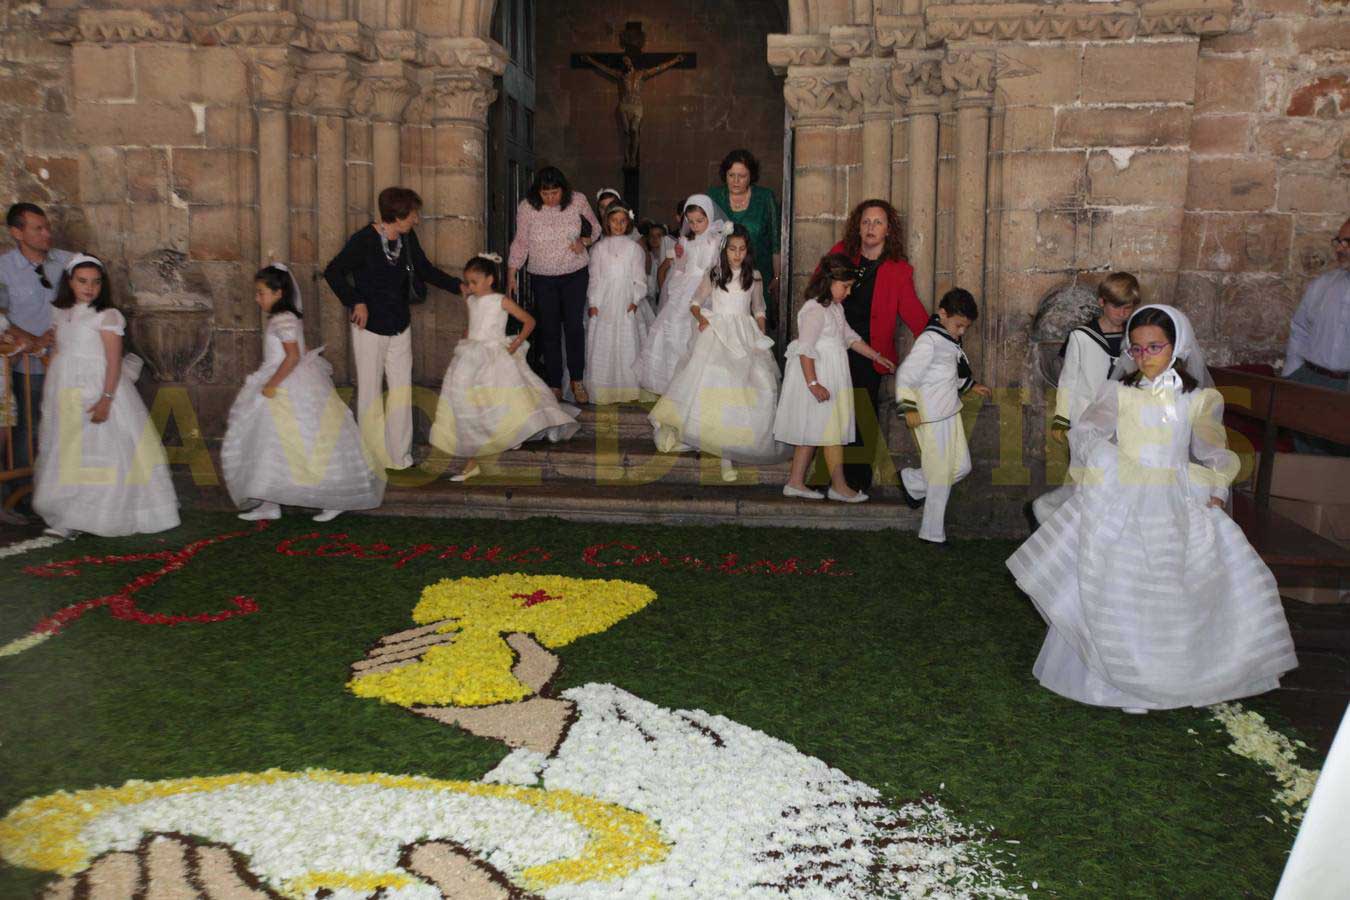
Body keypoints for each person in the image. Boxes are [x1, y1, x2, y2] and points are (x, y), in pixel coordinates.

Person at [1007, 305, 1298, 712]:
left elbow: (1213, 450)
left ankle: (1163, 675)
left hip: (1173, 494)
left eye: (1155, 348)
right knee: (1119, 578)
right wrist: (1107, 460)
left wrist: (1216, 488)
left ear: (1178, 347)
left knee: (1168, 581)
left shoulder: (1198, 398)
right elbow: (1088, 431)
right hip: (1125, 494)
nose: (1145, 357)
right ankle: (1117, 679)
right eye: (1138, 349)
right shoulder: (1120, 392)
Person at [221, 265, 384, 523]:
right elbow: (302, 348)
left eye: (261, 292)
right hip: (285, 378)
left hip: (285, 380)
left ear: (278, 292)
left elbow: (293, 356)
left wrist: (272, 383)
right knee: (272, 442)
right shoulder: (288, 317)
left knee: (301, 440)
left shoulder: (283, 319)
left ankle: (333, 497)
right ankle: (269, 501)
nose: (257, 298)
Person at [32, 255, 179, 538]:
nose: (89, 288)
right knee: (69, 451)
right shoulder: (60, 312)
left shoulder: (107, 316)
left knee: (101, 452)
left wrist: (106, 398)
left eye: (96, 282)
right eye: (82, 281)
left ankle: (100, 515)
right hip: (66, 390)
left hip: (99, 387)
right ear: (70, 282)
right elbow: (58, 349)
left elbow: (113, 362)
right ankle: (68, 516)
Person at [323, 186, 463, 471]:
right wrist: (356, 301)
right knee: (371, 394)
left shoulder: (407, 239)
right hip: (370, 328)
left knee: (401, 392)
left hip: (400, 325)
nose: (417, 220)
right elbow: (333, 271)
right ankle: (372, 459)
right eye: (413, 214)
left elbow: (425, 269)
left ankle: (399, 458)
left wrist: (460, 287)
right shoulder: (363, 240)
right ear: (397, 215)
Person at [650, 224, 787, 481]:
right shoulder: (714, 274)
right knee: (717, 383)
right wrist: (701, 318)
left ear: (748, 251)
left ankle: (738, 443)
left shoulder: (754, 276)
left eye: (742, 249)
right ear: (725, 251)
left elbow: (758, 309)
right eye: (732, 249)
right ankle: (720, 449)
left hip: (744, 334)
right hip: (717, 332)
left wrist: (760, 335)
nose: (737, 254)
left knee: (751, 386)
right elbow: (694, 302)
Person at [429, 254, 579, 482]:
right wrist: (465, 344)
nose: (469, 287)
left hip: (495, 354)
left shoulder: (500, 300)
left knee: (500, 396)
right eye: (467, 282)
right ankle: (483, 447)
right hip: (472, 354)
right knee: (473, 401)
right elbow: (471, 327)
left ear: (490, 280)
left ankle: (483, 453)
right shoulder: (471, 301)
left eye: (474, 282)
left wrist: (516, 343)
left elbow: (529, 321)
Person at [821, 200, 930, 493]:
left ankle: (855, 482)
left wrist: (943, 340)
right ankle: (825, 479)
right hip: (834, 347)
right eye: (866, 221)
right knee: (829, 414)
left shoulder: (898, 270)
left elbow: (914, 313)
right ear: (858, 225)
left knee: (861, 415)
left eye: (878, 222)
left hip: (870, 353)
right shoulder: (840, 253)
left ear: (888, 229)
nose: (871, 228)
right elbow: (818, 291)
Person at [774, 254, 895, 503]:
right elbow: (805, 349)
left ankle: (795, 482)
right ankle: (839, 486)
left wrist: (876, 356)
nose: (848, 293)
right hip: (819, 376)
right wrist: (813, 383)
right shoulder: (814, 310)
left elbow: (850, 337)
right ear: (829, 281)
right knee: (830, 431)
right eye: (845, 286)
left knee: (815, 431)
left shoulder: (835, 308)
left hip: (832, 375)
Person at [1032, 272, 1139, 524]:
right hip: (1085, 420)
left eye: (1129, 307)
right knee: (1083, 480)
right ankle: (1049, 514)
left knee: (1107, 483)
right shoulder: (1080, 336)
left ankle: (1048, 511)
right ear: (1102, 302)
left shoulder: (1134, 339)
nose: (1123, 313)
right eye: (1117, 306)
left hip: (1122, 423)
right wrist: (1061, 417)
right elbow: (1068, 380)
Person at [896, 289, 992, 545]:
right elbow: (906, 374)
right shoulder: (929, 341)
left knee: (962, 467)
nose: (962, 331)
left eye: (965, 327)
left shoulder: (948, 339)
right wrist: (908, 405)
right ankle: (931, 534)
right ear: (942, 314)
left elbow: (949, 371)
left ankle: (913, 482)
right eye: (959, 325)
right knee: (939, 476)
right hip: (929, 415)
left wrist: (971, 385)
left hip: (949, 411)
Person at [0, 202, 72, 522]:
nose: (46, 233)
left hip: (67, 358)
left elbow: (86, 300)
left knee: (66, 424)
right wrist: (33, 341)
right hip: (27, 362)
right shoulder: (2, 268)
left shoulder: (68, 262)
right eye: (37, 228)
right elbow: (1, 317)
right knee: (28, 427)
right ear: (17, 232)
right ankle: (23, 493)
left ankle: (62, 490)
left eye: (46, 227)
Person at [506, 168, 602, 404]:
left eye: (555, 193)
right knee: (548, 330)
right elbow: (521, 241)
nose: (550, 198)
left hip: (574, 274)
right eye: (545, 193)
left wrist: (585, 241)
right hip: (542, 277)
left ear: (563, 190)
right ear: (538, 192)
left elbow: (597, 228)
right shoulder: (527, 207)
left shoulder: (577, 200)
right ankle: (554, 383)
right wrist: (511, 272)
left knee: (573, 327)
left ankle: (577, 380)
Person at [635, 194, 725, 396]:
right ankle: (670, 380)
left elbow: (718, 268)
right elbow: (680, 267)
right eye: (691, 221)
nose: (695, 226)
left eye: (700, 221)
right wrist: (676, 284)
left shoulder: (717, 240)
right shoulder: (685, 241)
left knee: (699, 333)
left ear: (709, 217)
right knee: (673, 327)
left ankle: (695, 382)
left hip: (706, 288)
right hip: (685, 289)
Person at [1282, 216, 1350, 454]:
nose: (1340, 248)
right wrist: (1293, 375)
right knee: (1310, 461)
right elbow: (1300, 329)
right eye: (1338, 241)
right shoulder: (1323, 284)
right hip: (1313, 382)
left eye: (1347, 242)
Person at [585, 204, 648, 405]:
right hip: (604, 300)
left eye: (622, 221)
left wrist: (635, 300)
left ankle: (627, 390)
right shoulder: (599, 248)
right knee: (604, 342)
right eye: (614, 221)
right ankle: (604, 389)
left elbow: (640, 279)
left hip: (625, 299)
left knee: (626, 341)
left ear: (628, 222)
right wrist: (593, 301)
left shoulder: (635, 249)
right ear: (607, 222)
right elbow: (594, 278)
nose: (618, 225)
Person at [706, 149, 781, 318]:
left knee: (757, 321)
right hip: (724, 274)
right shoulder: (714, 196)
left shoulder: (765, 197)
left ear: (751, 176)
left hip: (758, 272)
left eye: (742, 176)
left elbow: (776, 242)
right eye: (731, 175)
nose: (736, 181)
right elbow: (703, 234)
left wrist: (777, 278)